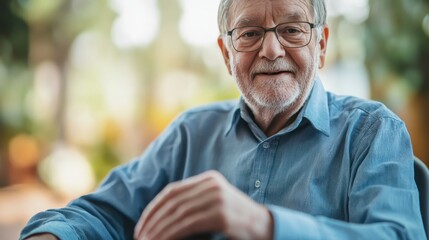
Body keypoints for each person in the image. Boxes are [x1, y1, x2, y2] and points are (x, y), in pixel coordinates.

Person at [21, 0, 426, 239]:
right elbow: (104, 212)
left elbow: (399, 236)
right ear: (225, 53)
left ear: (320, 45)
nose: (270, 49)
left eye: (291, 29)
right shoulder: (190, 134)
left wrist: (263, 224)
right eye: (249, 33)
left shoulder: (373, 132)